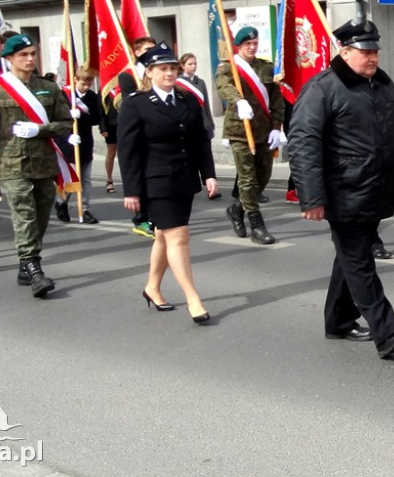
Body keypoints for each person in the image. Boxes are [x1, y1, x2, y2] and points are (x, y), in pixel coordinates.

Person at [289, 19, 394, 359]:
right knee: (360, 261)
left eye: (375, 51)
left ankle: (338, 320)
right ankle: (386, 333)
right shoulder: (323, 88)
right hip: (343, 193)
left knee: (351, 258)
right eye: (365, 52)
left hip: (375, 189)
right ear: (345, 51)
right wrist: (311, 197)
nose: (372, 58)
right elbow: (303, 143)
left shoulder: (381, 85)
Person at [0, 34, 73, 297]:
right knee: (25, 216)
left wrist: (40, 129)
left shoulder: (49, 88)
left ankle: (25, 265)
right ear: (9, 58)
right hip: (13, 164)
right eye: (23, 54)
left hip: (45, 164)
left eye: (33, 53)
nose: (30, 59)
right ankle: (34, 269)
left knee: (42, 218)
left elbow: (65, 123)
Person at [119, 42, 217, 324]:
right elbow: (129, 151)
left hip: (184, 179)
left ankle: (152, 287)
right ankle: (193, 297)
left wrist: (208, 174)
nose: (170, 73)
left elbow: (200, 141)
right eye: (163, 69)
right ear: (149, 72)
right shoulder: (136, 104)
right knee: (179, 236)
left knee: (164, 235)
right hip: (157, 182)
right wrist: (132, 191)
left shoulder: (187, 100)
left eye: (173, 68)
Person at [216, 26, 285, 244]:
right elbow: (223, 86)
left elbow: (277, 100)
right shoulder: (229, 67)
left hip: (264, 130)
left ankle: (237, 209)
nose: (252, 47)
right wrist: (239, 100)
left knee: (262, 177)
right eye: (248, 44)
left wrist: (277, 126)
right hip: (240, 131)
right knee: (247, 178)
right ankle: (257, 225)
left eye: (255, 43)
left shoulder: (266, 67)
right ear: (239, 45)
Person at [118, 36, 156, 237]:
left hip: (155, 130)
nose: (151, 52)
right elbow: (129, 101)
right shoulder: (128, 75)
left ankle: (152, 215)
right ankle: (141, 218)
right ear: (137, 52)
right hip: (137, 129)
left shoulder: (157, 71)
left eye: (153, 48)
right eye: (146, 49)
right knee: (138, 173)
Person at [55, 67, 103, 224]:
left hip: (85, 142)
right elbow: (56, 119)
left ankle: (85, 209)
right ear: (75, 79)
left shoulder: (92, 96)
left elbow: (96, 118)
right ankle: (61, 202)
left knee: (85, 179)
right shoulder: (64, 95)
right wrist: (67, 135)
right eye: (84, 83)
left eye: (89, 83)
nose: (87, 87)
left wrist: (82, 115)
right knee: (70, 179)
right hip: (67, 141)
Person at [178, 52, 221, 200]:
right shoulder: (178, 83)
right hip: (190, 125)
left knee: (206, 154)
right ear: (182, 66)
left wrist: (210, 121)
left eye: (195, 63)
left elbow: (206, 104)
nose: (193, 66)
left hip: (203, 123)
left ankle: (210, 185)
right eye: (190, 64)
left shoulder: (200, 82)